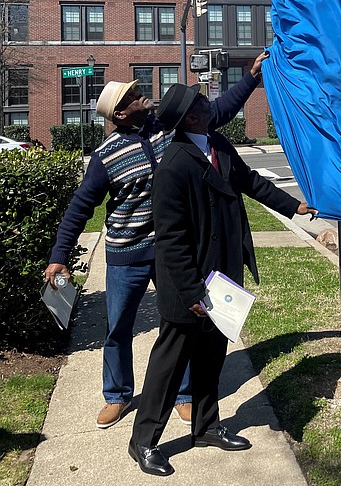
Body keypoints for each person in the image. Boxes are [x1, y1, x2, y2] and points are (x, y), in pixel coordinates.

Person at [44, 53, 268, 430]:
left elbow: (217, 112)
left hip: (171, 254)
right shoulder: (105, 156)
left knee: (176, 325)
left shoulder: (169, 130)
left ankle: (183, 395)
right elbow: (81, 206)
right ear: (119, 114)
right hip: (125, 255)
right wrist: (58, 255)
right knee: (118, 327)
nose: (141, 93)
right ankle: (116, 395)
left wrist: (249, 78)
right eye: (133, 95)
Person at [128, 83, 317, 476]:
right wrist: (193, 291)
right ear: (190, 117)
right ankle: (143, 441)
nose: (208, 104)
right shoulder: (174, 165)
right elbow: (172, 239)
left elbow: (250, 181)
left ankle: (207, 426)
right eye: (201, 103)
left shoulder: (216, 144)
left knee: (211, 357)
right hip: (190, 286)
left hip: (222, 276)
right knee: (169, 364)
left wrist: (293, 205)